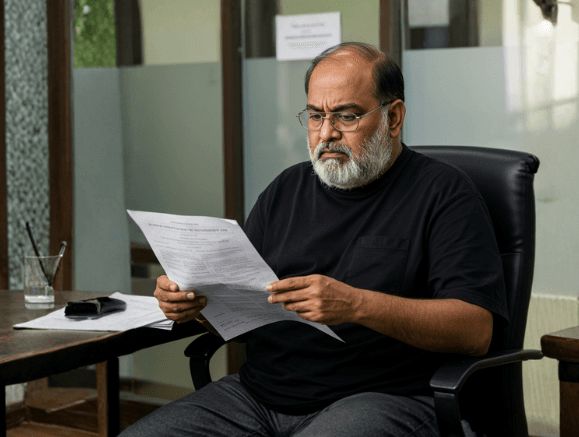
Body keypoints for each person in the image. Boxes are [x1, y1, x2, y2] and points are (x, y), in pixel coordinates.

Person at [119, 42, 507, 437]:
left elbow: (475, 331)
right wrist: (192, 304)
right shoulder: (285, 190)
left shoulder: (444, 194)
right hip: (257, 396)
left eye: (347, 116)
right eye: (316, 116)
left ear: (394, 117)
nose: (327, 133)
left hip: (383, 398)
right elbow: (238, 311)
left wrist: (356, 304)